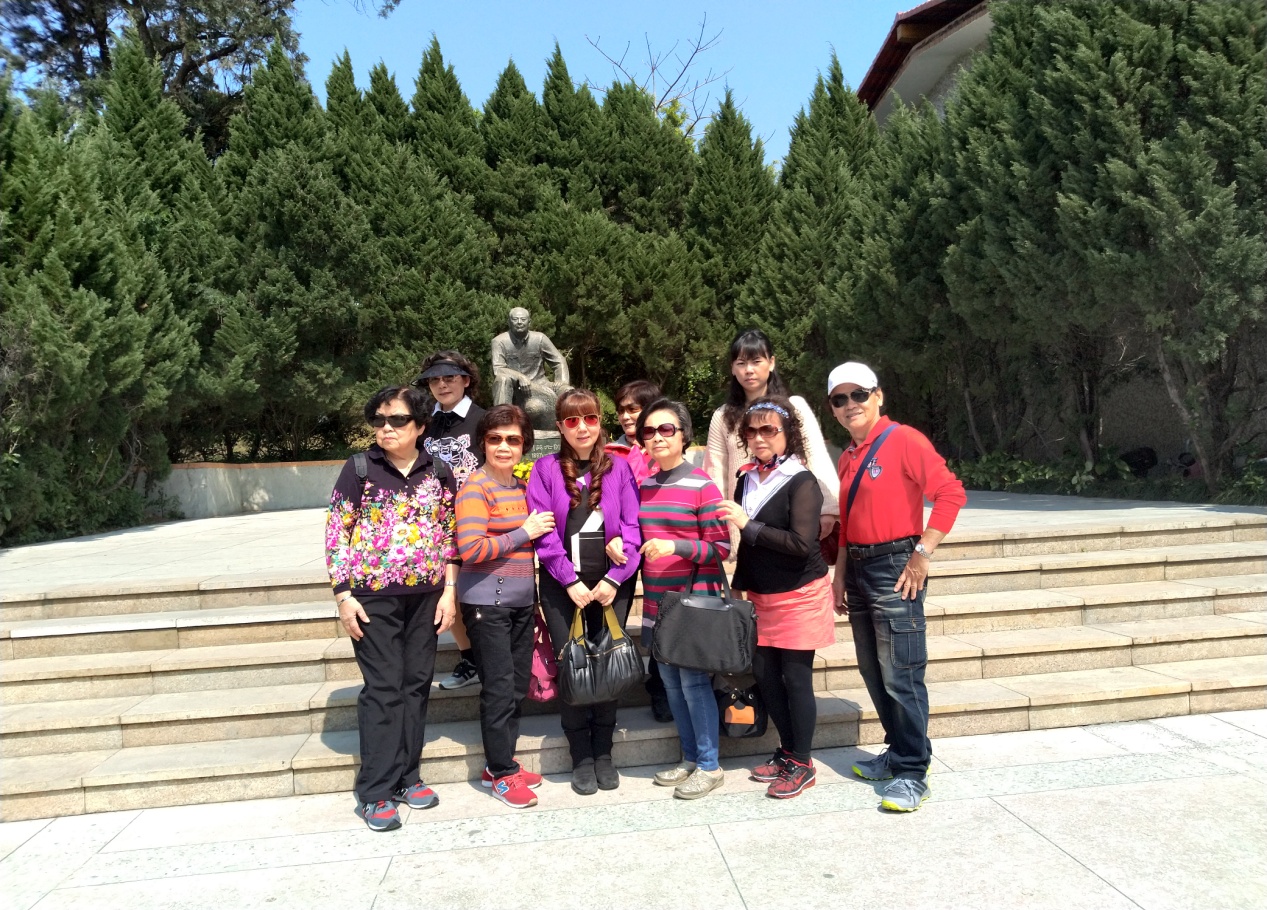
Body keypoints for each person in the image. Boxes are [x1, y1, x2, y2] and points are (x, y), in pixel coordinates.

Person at [828, 361, 966, 813]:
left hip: (895, 565)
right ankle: (897, 750)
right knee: (873, 669)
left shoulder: (904, 439)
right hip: (859, 567)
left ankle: (913, 770)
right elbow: (847, 524)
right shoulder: (848, 457)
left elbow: (950, 493)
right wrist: (840, 576)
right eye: (840, 399)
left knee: (901, 672)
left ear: (878, 396)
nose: (850, 404)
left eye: (859, 394)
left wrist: (923, 552)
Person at [325, 385, 459, 832]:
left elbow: (450, 535)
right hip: (372, 598)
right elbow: (336, 534)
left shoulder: (438, 470)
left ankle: (407, 777)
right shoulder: (360, 468)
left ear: (420, 426)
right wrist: (344, 596)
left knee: (416, 684)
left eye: (397, 420)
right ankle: (375, 791)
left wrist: (449, 592)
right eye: (379, 420)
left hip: (426, 596)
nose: (386, 428)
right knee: (384, 688)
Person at [526, 389, 642, 795]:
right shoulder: (544, 470)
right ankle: (581, 756)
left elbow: (633, 528)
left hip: (612, 587)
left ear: (599, 422)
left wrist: (615, 578)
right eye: (572, 420)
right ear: (560, 426)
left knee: (607, 664)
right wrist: (569, 581)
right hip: (563, 588)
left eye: (589, 418)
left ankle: (604, 753)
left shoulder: (619, 469)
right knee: (573, 665)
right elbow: (543, 535)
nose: (582, 427)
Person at [718, 396, 835, 799]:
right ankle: (787, 751)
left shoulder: (802, 481)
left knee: (795, 679)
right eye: (752, 430)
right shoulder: (747, 478)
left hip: (800, 593)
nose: (759, 437)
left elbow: (801, 544)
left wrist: (747, 524)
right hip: (761, 595)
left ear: (788, 435)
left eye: (769, 429)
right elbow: (749, 547)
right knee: (766, 677)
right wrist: (739, 583)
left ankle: (802, 762)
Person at [455, 404, 555, 809]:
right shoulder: (475, 488)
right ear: (483, 442)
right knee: (498, 689)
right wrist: (523, 532)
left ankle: (501, 763)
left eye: (513, 440)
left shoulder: (521, 487)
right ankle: (501, 772)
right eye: (495, 439)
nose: (503, 446)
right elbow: (471, 549)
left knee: (514, 686)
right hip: (486, 605)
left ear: (524, 445)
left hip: (519, 604)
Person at [636, 398, 731, 800]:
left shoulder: (702, 485)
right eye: (649, 431)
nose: (657, 437)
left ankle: (710, 765)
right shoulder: (644, 486)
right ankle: (690, 758)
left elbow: (721, 548)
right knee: (671, 684)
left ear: (684, 435)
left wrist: (675, 546)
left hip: (693, 603)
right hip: (658, 603)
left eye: (666, 429)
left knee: (693, 683)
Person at [704, 330, 840, 549]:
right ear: (732, 368)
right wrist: (717, 527)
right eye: (741, 363)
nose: (749, 370)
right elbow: (716, 474)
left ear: (772, 363)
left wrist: (829, 509)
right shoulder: (723, 416)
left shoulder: (794, 407)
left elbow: (816, 457)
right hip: (742, 524)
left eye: (756, 361)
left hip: (791, 520)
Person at [415, 350, 486, 692]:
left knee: (481, 593)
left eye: (449, 377)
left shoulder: (484, 420)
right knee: (446, 593)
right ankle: (470, 657)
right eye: (434, 379)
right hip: (435, 523)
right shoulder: (422, 423)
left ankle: (492, 657)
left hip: (479, 520)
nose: (442, 385)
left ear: (466, 380)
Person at [607, 379, 673, 724]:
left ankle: (661, 689)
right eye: (622, 410)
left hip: (664, 549)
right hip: (624, 549)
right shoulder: (611, 452)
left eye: (633, 409)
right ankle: (606, 692)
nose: (626, 416)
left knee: (665, 619)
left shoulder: (667, 448)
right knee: (614, 619)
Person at [490, 307, 571, 428]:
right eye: (515, 319)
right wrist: (519, 377)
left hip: (541, 384)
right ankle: (501, 425)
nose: (519, 322)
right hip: (515, 388)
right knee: (502, 379)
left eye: (523, 319)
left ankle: (567, 430)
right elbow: (498, 369)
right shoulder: (499, 341)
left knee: (568, 391)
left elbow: (559, 361)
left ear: (529, 322)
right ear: (509, 322)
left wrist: (562, 382)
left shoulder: (540, 339)